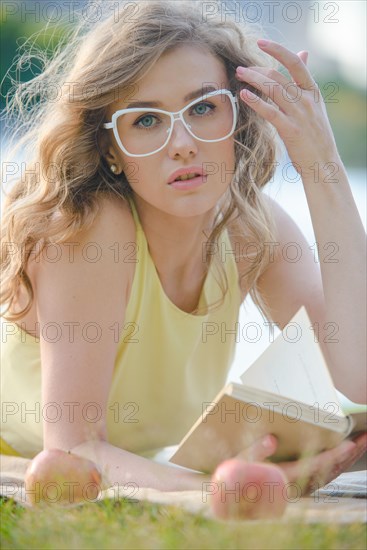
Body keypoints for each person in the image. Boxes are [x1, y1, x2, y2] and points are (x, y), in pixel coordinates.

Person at [1, 0, 366, 515]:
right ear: (111, 148)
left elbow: (356, 377)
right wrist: (219, 486)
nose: (183, 144)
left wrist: (321, 165)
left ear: (237, 115)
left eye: (202, 108)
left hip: (135, 465)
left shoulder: (249, 226)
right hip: (24, 463)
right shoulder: (91, 230)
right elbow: (74, 446)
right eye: (146, 120)